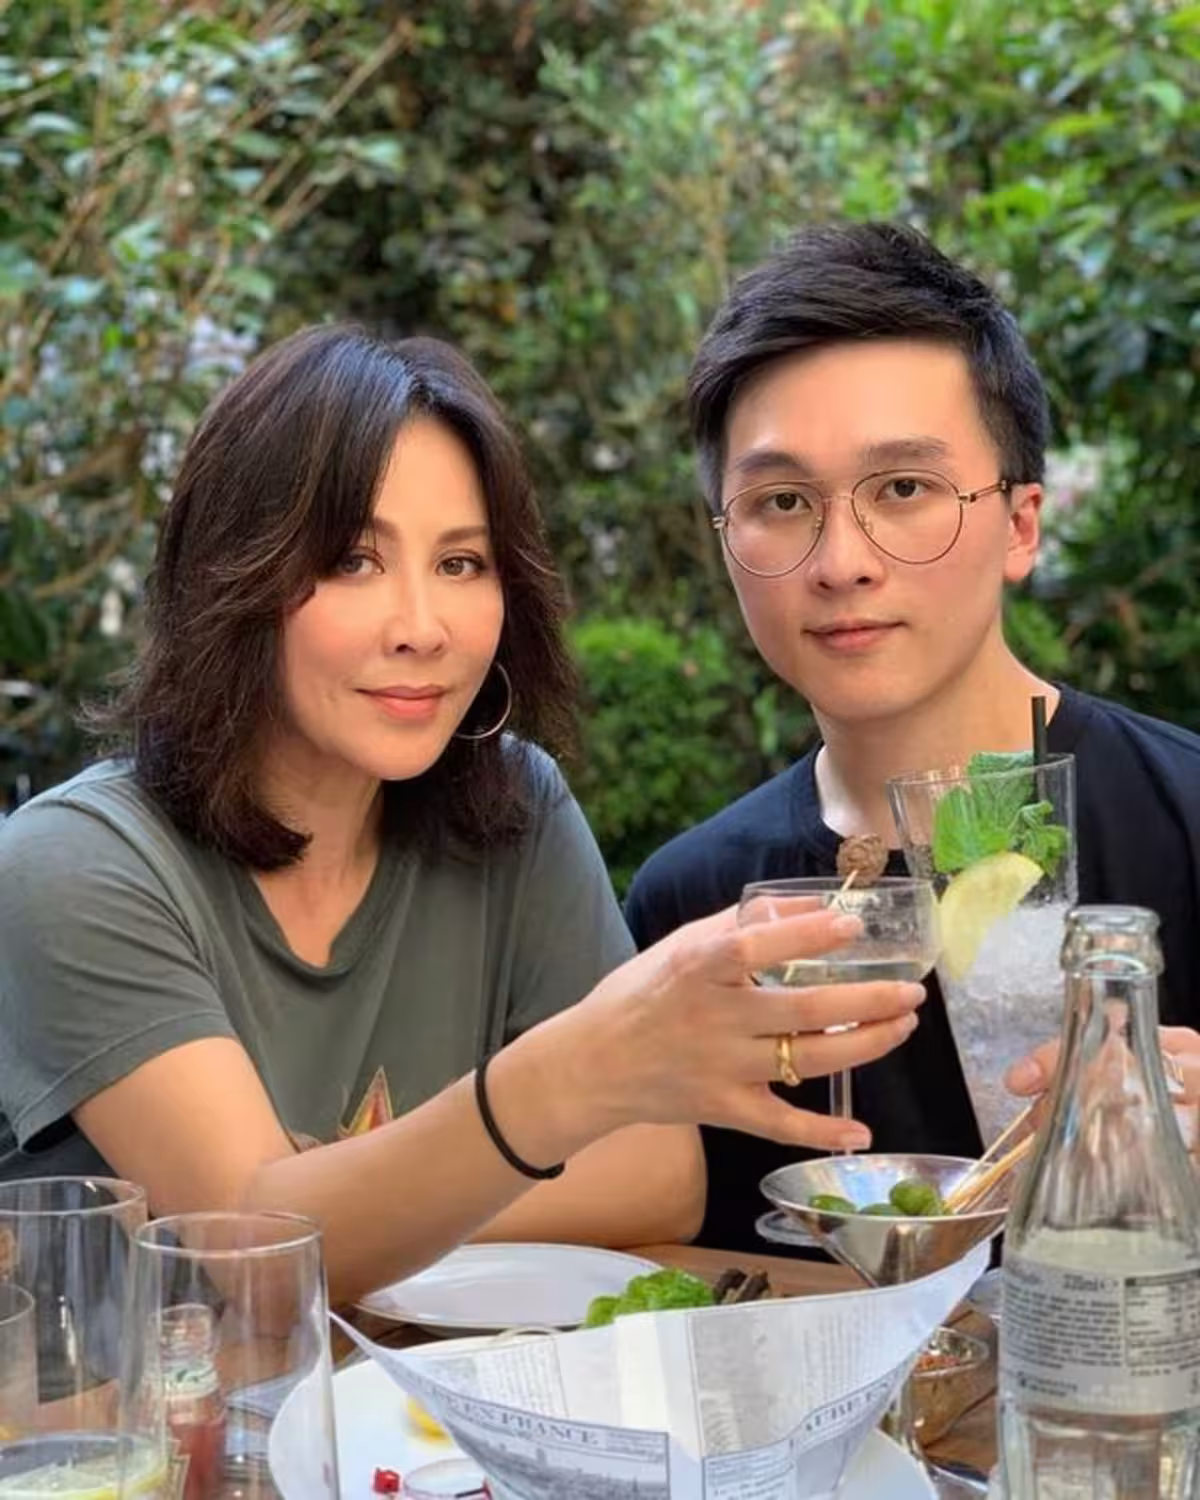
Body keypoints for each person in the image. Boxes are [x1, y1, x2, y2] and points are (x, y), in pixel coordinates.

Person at [0, 326, 927, 1303]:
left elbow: (659, 1177)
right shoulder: (75, 865)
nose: (422, 628)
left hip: (427, 1397)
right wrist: (550, 1093)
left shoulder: (514, 810)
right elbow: (261, 1257)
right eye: (354, 561)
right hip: (122, 1402)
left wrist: (354, 1191)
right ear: (231, 576)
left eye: (461, 564)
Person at [625, 222, 1200, 1253]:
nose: (841, 561)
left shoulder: (1186, 817)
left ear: (1021, 524)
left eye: (903, 489)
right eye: (781, 501)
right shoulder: (691, 907)